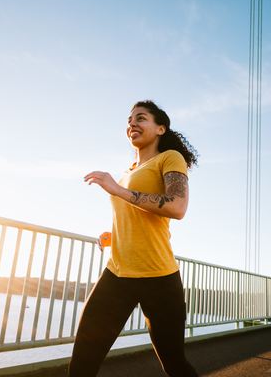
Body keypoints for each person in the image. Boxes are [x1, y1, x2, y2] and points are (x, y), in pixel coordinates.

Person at [71, 100, 200, 377]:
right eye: (129, 120)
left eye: (141, 118)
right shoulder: (128, 170)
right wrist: (116, 233)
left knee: (174, 363)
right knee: (83, 359)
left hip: (159, 277)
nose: (132, 124)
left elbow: (177, 206)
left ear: (160, 128)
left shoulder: (169, 158)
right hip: (117, 274)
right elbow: (137, 212)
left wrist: (117, 189)